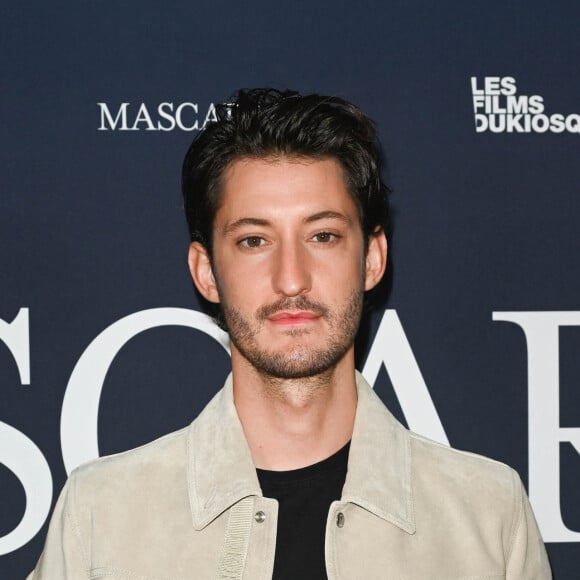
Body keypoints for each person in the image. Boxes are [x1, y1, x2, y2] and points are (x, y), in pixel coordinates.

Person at [28, 88, 552, 579]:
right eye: (254, 241)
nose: (291, 278)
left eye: (323, 236)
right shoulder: (99, 519)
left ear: (372, 258)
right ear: (206, 271)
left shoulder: (489, 518)